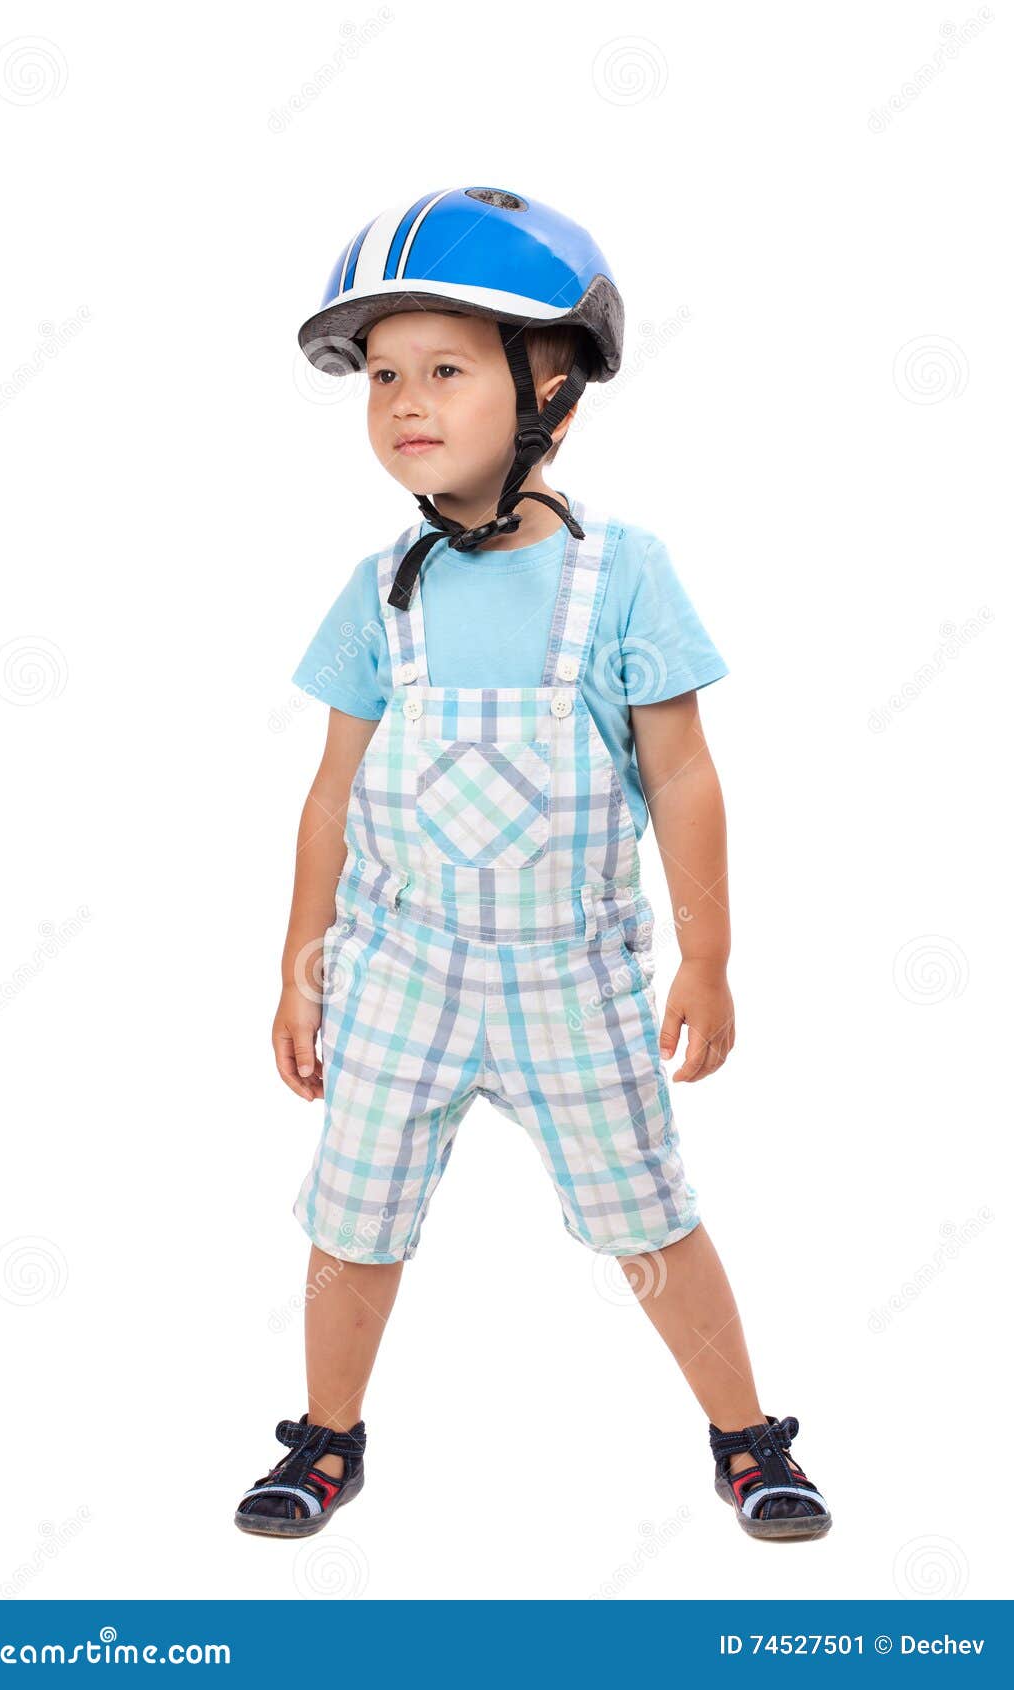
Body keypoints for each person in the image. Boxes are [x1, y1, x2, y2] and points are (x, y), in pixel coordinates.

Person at [234, 187, 831, 1544]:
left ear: (549, 381)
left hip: (574, 973)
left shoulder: (623, 576)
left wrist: (710, 954)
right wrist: (298, 963)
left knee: (651, 1214)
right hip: (400, 969)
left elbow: (681, 775)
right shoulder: (382, 586)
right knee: (352, 1219)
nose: (402, 402)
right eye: (382, 375)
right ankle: (326, 1439)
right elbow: (331, 791)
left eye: (445, 369)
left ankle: (747, 1438)